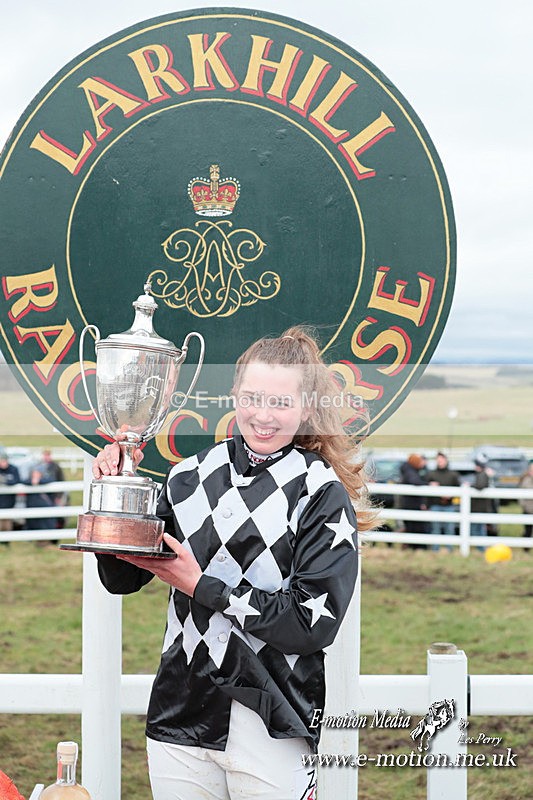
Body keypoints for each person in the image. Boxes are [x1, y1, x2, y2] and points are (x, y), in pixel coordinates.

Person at [93, 326, 373, 800]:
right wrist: (116, 492)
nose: (263, 415)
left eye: (280, 402)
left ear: (307, 407)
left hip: (273, 716)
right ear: (234, 394)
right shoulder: (188, 476)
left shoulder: (321, 492)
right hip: (180, 712)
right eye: (252, 398)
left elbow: (310, 626)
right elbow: (120, 576)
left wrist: (202, 586)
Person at [425, 452, 460, 552]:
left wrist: (450, 495)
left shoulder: (453, 475)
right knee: (435, 528)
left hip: (449, 505)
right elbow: (426, 488)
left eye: (441, 460)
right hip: (435, 504)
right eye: (438, 460)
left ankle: (450, 549)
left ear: (446, 460)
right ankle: (435, 549)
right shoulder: (431, 474)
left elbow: (458, 489)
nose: (440, 462)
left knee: (449, 528)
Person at [399, 453, 428, 548]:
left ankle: (411, 546)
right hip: (411, 504)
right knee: (414, 526)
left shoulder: (409, 470)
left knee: (411, 525)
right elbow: (415, 481)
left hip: (409, 503)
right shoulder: (410, 471)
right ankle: (414, 546)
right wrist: (427, 484)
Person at [38, 449, 66, 529]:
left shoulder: (56, 466)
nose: (46, 457)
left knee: (57, 511)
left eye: (48, 455)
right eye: (45, 455)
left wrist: (59, 496)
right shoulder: (39, 466)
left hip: (55, 494)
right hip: (44, 494)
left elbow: (61, 479)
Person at [470, 457, 492, 551]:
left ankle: (481, 548)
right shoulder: (481, 474)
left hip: (479, 507)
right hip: (479, 507)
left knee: (478, 528)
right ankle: (481, 548)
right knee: (479, 528)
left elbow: (480, 486)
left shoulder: (482, 475)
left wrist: (470, 486)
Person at [0, 448, 21, 539]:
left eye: (4, 461)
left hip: (9, 500)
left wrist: (5, 481)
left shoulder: (13, 469)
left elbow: (16, 481)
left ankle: (7, 540)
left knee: (7, 520)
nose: (3, 463)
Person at [518, 460, 533, 545]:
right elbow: (521, 493)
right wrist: (523, 505)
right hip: (528, 508)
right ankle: (526, 546)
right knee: (528, 529)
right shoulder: (525, 479)